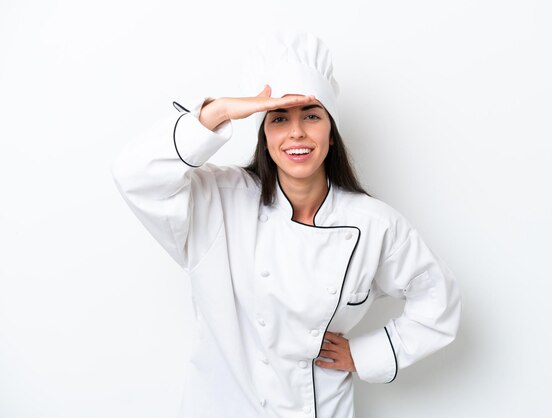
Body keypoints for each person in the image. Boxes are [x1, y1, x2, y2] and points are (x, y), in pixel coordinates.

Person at [112, 32, 461, 418]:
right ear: (265, 136)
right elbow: (134, 175)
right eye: (279, 118)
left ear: (331, 135)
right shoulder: (218, 200)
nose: (296, 132)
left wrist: (366, 355)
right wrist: (218, 112)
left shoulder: (374, 225)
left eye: (312, 115)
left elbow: (438, 301)